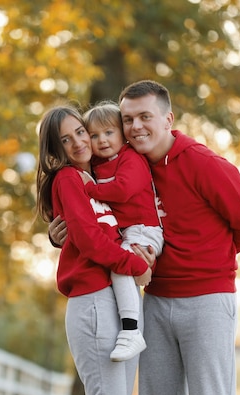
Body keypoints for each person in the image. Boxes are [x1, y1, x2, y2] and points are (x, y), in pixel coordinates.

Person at [49, 80, 240, 395]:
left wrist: (204, 259)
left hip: (205, 300)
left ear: (168, 119)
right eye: (128, 119)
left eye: (145, 117)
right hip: (153, 298)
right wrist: (57, 232)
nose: (136, 126)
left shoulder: (202, 163)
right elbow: (93, 217)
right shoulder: (122, 162)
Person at [35, 105, 153, 395]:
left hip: (118, 300)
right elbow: (88, 239)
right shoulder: (69, 178)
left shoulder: (99, 176)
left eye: (80, 132)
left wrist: (145, 251)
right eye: (65, 140)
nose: (78, 142)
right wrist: (136, 265)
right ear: (54, 150)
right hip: (93, 299)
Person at [80, 101, 164, 362]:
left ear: (122, 134)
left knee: (121, 265)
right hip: (126, 232)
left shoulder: (131, 158)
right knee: (117, 264)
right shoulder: (95, 163)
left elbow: (123, 189)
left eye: (108, 132)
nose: (102, 140)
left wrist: (90, 189)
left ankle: (131, 331)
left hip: (144, 230)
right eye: (94, 135)